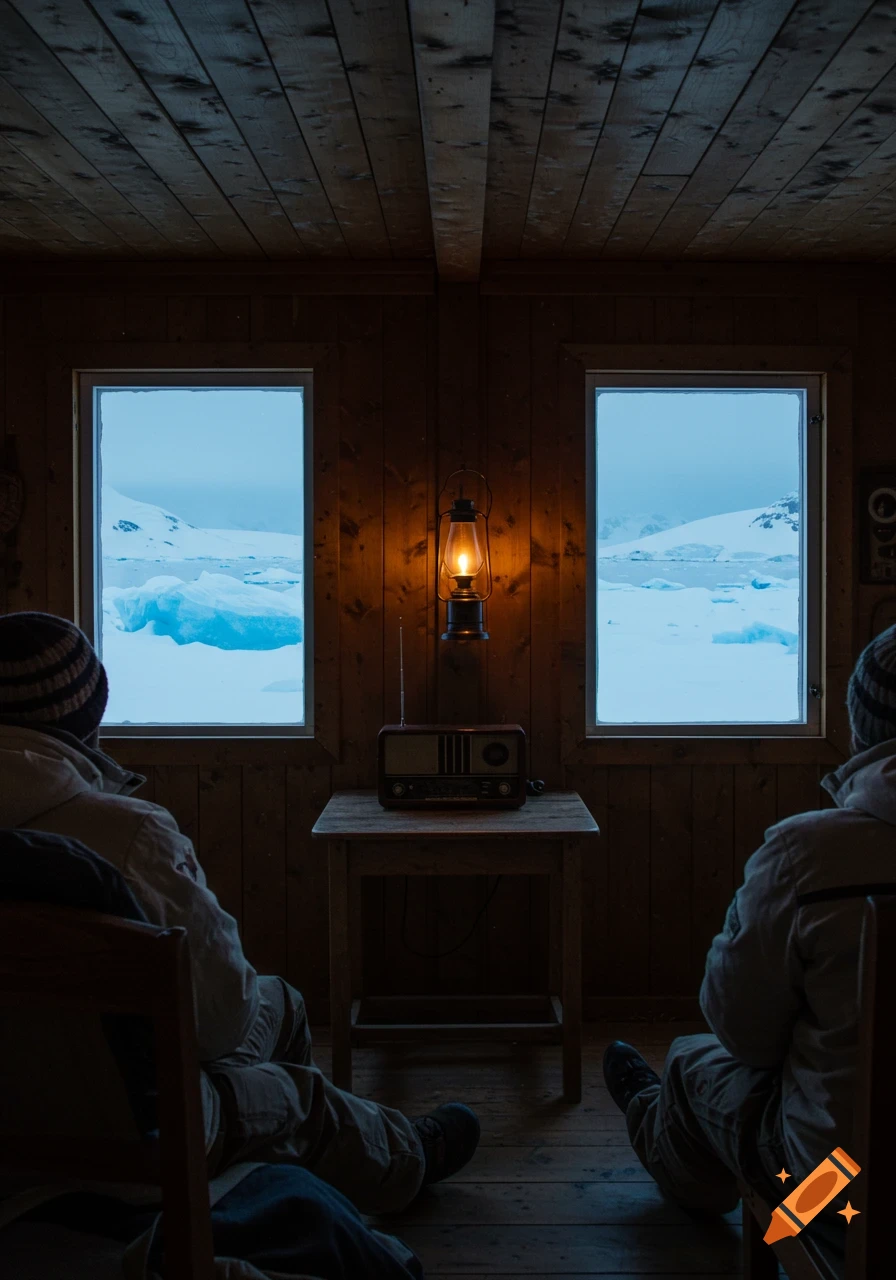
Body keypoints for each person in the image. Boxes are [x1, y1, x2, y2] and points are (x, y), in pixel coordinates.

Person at [0, 611, 480, 1215]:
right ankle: (394, 1160)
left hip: (13, 1116)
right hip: (138, 1128)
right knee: (288, 1058)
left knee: (271, 1012)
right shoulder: (127, 835)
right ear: (87, 711)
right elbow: (222, 1020)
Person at [603, 623, 896, 1251]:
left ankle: (663, 1135)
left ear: (863, 728)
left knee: (693, 1060)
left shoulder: (811, 854)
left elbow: (742, 1032)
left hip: (845, 1201)